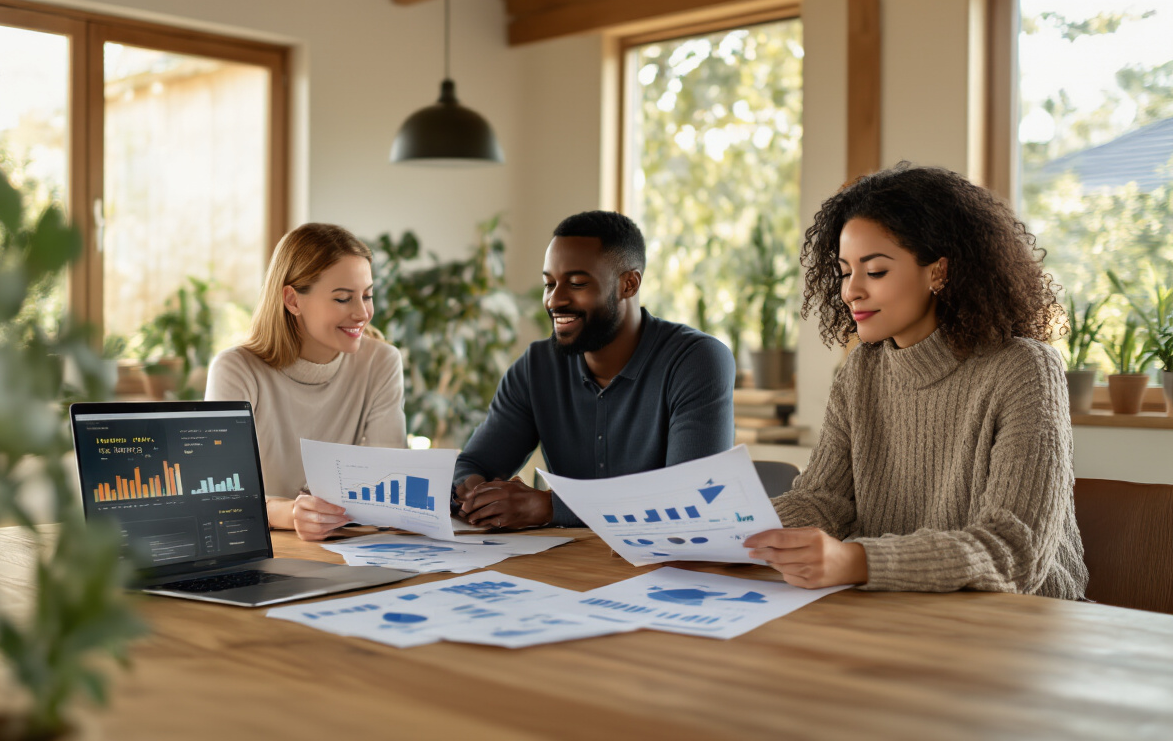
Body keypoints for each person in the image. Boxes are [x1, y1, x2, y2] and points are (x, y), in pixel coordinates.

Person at [744, 164, 1087, 599]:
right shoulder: (860, 373)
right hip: (898, 608)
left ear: (938, 272)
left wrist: (857, 561)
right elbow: (823, 501)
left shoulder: (1024, 368)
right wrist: (726, 529)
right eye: (846, 271)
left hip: (1024, 625)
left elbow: (1013, 552)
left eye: (876, 271)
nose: (851, 291)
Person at [454, 210, 736, 529]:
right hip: (564, 564)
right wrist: (476, 492)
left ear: (628, 284)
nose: (554, 300)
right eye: (549, 283)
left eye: (576, 283)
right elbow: (474, 464)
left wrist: (550, 508)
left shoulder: (696, 361)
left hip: (665, 567)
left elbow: (692, 498)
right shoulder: (536, 367)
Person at [205, 223, 406, 541]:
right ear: (292, 300)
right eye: (343, 299)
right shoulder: (236, 369)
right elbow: (215, 495)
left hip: (344, 546)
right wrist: (290, 514)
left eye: (366, 296)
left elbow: (392, 480)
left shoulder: (381, 362)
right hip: (260, 544)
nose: (362, 313)